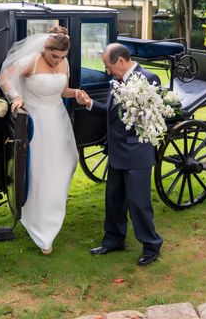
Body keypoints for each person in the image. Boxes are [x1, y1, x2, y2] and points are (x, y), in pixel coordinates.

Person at [75, 43, 163, 267]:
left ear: (121, 61)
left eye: (108, 66)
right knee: (113, 200)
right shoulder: (117, 81)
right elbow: (112, 112)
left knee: (138, 203)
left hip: (136, 152)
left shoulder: (148, 79)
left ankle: (151, 245)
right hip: (116, 151)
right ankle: (113, 240)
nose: (108, 71)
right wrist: (89, 103)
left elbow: (150, 119)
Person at [0, 26, 79, 255]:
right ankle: (42, 227)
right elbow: (5, 78)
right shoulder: (31, 61)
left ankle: (53, 213)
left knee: (65, 165)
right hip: (36, 122)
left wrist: (77, 94)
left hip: (58, 121)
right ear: (46, 48)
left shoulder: (64, 63)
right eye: (55, 56)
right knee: (40, 171)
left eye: (62, 57)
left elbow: (63, 91)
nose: (58, 61)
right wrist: (16, 97)